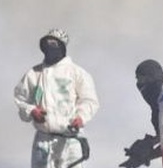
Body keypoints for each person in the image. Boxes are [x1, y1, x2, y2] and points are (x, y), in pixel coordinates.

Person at [14, 28, 99, 168]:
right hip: (43, 141)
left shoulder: (77, 73)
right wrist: (31, 111)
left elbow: (89, 100)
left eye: (54, 44)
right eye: (47, 44)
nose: (50, 48)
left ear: (62, 48)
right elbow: (20, 98)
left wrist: (81, 118)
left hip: (71, 141)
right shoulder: (34, 74)